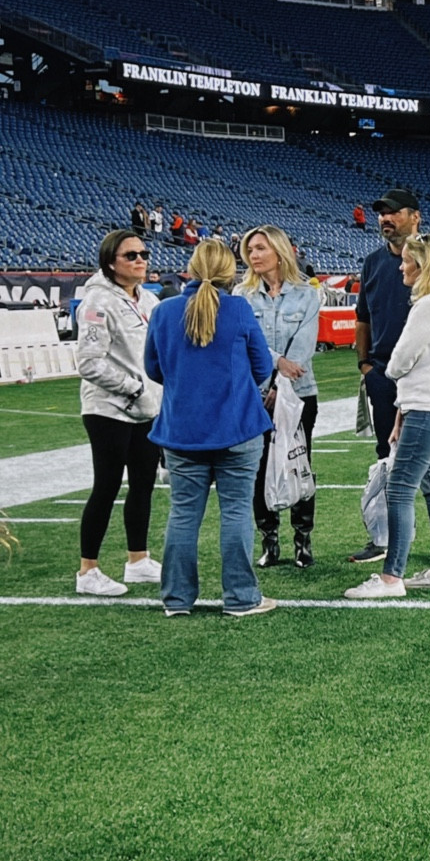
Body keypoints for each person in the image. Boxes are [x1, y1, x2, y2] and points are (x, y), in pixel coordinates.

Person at [143, 240, 276, 617]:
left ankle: (177, 599)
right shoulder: (237, 309)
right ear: (228, 272)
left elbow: (153, 368)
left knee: (183, 514)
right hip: (237, 428)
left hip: (181, 431)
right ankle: (240, 598)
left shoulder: (165, 311)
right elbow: (263, 366)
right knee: (236, 512)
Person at [346, 234, 430, 598]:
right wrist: (403, 407)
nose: (401, 266)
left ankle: (391, 577)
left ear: (425, 265)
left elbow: (400, 361)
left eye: (407, 261)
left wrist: (387, 375)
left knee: (400, 488)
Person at [74, 230, 163, 598]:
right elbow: (89, 362)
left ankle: (137, 559)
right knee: (107, 486)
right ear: (111, 262)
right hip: (108, 408)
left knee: (143, 484)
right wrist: (135, 387)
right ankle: (87, 570)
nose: (141, 259)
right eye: (131, 255)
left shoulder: (150, 299)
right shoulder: (96, 301)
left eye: (143, 253)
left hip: (147, 408)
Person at [241, 225, 321, 570]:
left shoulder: (307, 294)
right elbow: (247, 343)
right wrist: (275, 365)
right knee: (259, 469)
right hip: (255, 396)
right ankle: (268, 540)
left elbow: (304, 347)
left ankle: (302, 540)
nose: (254, 255)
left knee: (300, 463)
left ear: (279, 251)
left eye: (260, 248)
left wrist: (280, 382)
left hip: (299, 394)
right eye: (250, 249)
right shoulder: (241, 295)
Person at [351, 187, 424, 562]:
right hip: (382, 373)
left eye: (393, 212)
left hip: (422, 376)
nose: (384, 219)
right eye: (381, 213)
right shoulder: (372, 263)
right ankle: (383, 540)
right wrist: (365, 365)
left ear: (415, 217)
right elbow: (362, 317)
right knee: (386, 454)